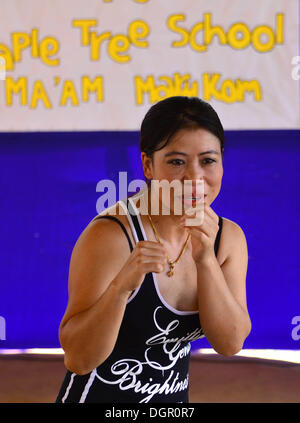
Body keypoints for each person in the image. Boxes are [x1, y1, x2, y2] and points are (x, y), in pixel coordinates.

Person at [56, 96, 251, 403]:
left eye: (208, 160)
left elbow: (230, 342)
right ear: (148, 164)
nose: (194, 177)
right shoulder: (111, 236)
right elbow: (78, 360)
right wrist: (121, 288)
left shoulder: (227, 239)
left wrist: (206, 261)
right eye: (176, 162)